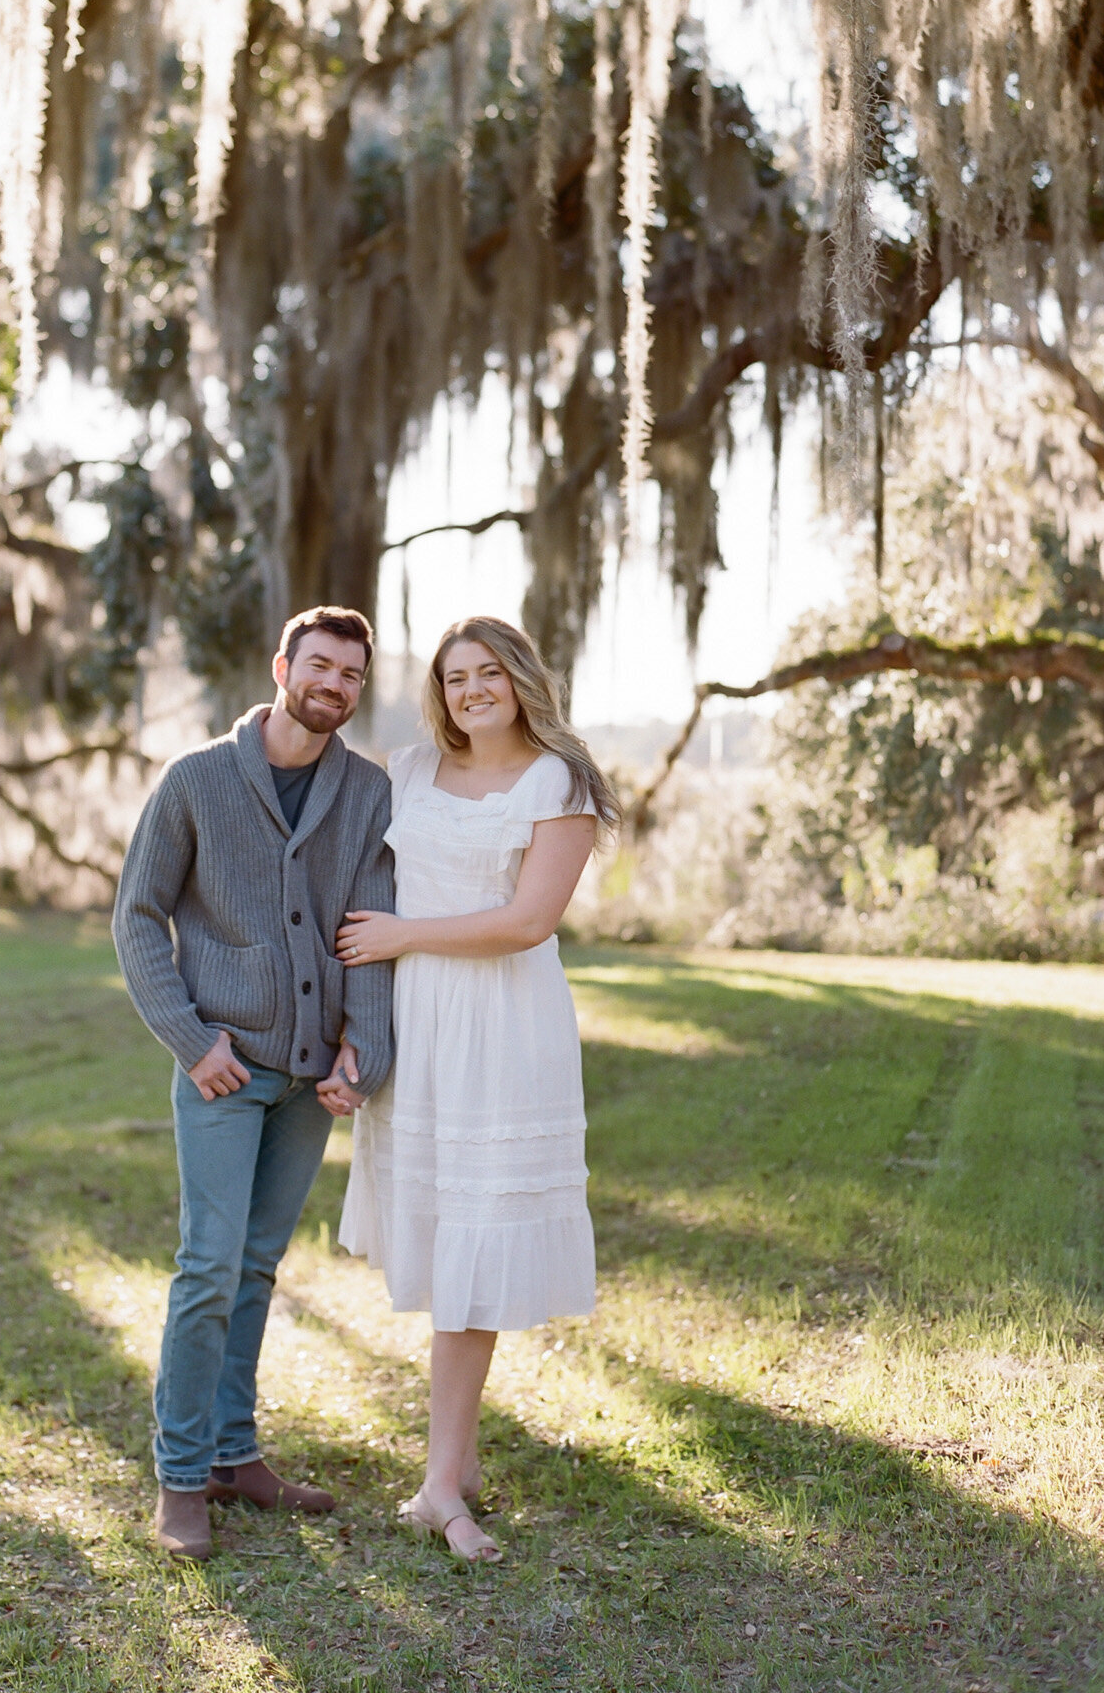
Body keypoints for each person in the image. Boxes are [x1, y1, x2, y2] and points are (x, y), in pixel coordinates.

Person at [114, 606, 395, 1562]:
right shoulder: (195, 780)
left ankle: (236, 1455)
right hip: (224, 1071)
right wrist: (191, 1042)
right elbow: (138, 915)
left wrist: (365, 1045)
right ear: (282, 666)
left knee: (256, 1268)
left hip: (309, 1077)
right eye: (319, 666)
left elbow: (370, 924)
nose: (333, 686)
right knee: (205, 1270)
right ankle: (182, 1478)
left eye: (351, 675)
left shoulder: (366, 791)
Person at [336, 615, 619, 1563]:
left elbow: (529, 920)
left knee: (475, 1255)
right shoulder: (409, 771)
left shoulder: (560, 781)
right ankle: (441, 1481)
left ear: (520, 679)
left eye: (488, 672)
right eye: (455, 678)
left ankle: (441, 1485)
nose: (471, 691)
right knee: (441, 1251)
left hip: (503, 1033)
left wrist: (403, 934)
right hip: (417, 1030)